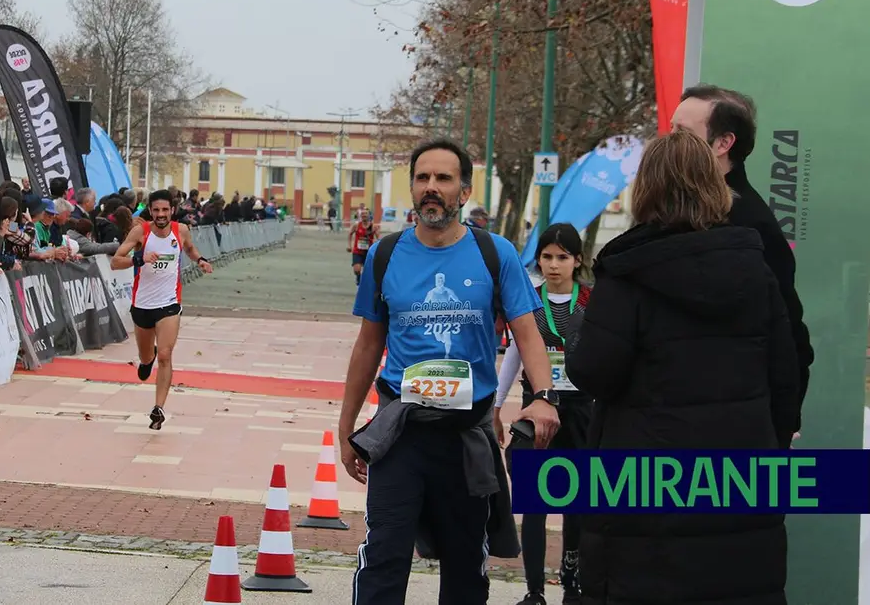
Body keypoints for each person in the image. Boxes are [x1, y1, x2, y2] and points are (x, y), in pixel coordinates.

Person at [565, 129, 800, 605]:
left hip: (644, 495)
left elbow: (594, 372)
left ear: (646, 188)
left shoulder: (626, 274)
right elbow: (786, 379)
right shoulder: (755, 270)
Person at [339, 139, 560, 605]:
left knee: (465, 568)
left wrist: (544, 395)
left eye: (443, 179)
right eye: (423, 178)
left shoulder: (494, 253)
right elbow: (366, 346)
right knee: (384, 556)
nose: (432, 188)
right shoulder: (385, 255)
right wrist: (347, 429)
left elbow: (528, 331)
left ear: (464, 189)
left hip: (466, 436)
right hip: (400, 432)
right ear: (413, 187)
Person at [671, 84, 812, 435]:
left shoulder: (751, 225)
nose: (669, 142)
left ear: (723, 144)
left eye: (682, 133)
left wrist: (781, 423)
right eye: (670, 129)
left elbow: (789, 335)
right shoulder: (675, 212)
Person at [494, 222, 591, 605]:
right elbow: (513, 358)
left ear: (577, 260)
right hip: (537, 413)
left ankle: (572, 583)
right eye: (547, 257)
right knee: (534, 506)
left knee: (578, 505)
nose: (554, 265)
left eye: (562, 257)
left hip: (582, 412)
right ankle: (534, 590)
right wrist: (497, 406)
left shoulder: (593, 303)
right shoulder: (528, 302)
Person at [110, 189, 214, 430]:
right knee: (147, 358)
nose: (160, 214)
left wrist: (200, 260)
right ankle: (148, 358)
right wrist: (139, 259)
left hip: (169, 303)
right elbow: (116, 261)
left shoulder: (181, 230)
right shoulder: (141, 232)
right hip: (143, 304)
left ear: (172, 211)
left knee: (166, 355)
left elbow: (188, 248)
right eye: (156, 210)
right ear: (151, 211)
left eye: (165, 210)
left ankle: (158, 408)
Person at [347, 208, 379, 286]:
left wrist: (376, 243)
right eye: (362, 214)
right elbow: (350, 234)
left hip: (368, 252)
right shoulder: (356, 225)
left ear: (369, 215)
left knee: (368, 271)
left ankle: (365, 284)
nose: (364, 215)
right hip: (357, 251)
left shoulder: (373, 226)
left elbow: (378, 238)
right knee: (357, 270)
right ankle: (358, 278)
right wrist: (349, 245)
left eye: (365, 214)